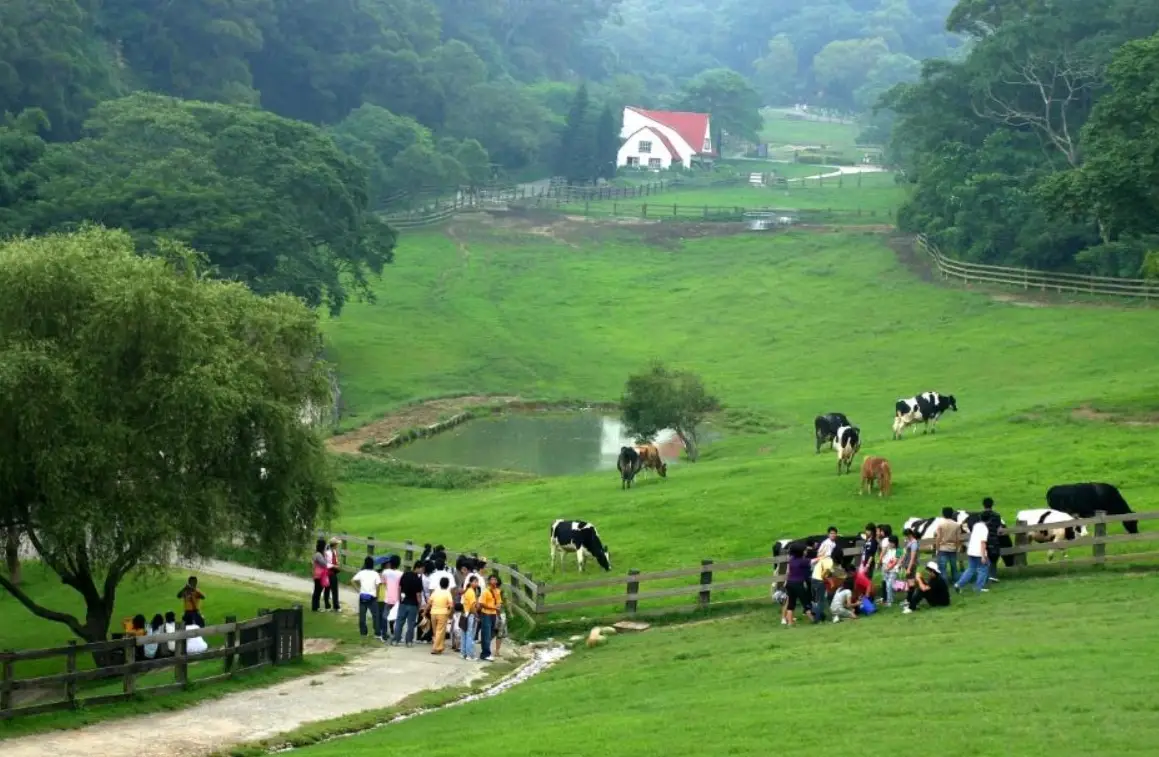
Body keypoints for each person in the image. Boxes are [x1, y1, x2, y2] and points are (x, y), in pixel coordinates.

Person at [956, 516, 991, 593]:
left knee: (970, 569)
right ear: (988, 521)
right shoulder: (984, 529)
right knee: (983, 569)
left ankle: (959, 584)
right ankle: (978, 588)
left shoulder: (976, 525)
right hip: (978, 552)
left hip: (971, 551)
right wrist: (983, 556)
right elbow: (983, 542)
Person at [351, 556, 382, 641]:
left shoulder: (361, 573)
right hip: (372, 597)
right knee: (375, 616)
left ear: (365, 564)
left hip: (363, 596)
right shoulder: (375, 573)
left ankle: (363, 632)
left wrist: (358, 590)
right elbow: (378, 585)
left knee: (362, 616)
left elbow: (352, 581)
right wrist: (377, 595)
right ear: (373, 565)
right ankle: (377, 633)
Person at [782, 545, 812, 626]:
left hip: (790, 583)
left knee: (791, 603)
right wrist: (823, 556)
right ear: (800, 552)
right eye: (805, 550)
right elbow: (814, 561)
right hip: (798, 584)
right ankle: (813, 620)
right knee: (805, 602)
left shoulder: (791, 560)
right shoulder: (802, 561)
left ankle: (790, 623)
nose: (806, 552)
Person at [393, 564, 423, 646]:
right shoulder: (418, 579)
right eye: (421, 569)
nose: (422, 571)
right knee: (411, 623)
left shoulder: (405, 575)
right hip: (413, 604)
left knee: (399, 622)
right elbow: (418, 594)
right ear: (417, 568)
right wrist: (419, 605)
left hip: (403, 602)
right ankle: (409, 641)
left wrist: (399, 599)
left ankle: (396, 640)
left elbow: (399, 588)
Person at [933, 507, 963, 585]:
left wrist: (937, 548)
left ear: (943, 514)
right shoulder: (956, 525)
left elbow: (938, 537)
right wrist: (956, 548)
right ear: (952, 514)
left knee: (943, 568)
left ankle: (944, 584)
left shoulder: (941, 525)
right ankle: (957, 582)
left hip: (943, 549)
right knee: (954, 568)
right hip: (953, 549)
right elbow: (958, 539)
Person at [478, 574, 503, 661]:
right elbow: (481, 603)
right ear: (489, 581)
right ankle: (485, 654)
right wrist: (493, 607)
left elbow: (499, 602)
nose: (493, 581)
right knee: (486, 633)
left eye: (495, 579)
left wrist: (498, 608)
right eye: (491, 579)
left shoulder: (497, 591)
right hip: (486, 614)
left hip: (494, 614)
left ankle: (485, 651)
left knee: (491, 633)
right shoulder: (485, 591)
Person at [429, 576, 454, 654]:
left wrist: (425, 611)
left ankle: (440, 647)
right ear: (448, 585)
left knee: (436, 631)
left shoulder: (435, 592)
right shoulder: (447, 592)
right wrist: (450, 612)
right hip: (442, 613)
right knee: (440, 631)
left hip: (433, 613)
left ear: (440, 584)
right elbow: (451, 604)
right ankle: (435, 648)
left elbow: (429, 602)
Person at [980, 497, 1003, 582]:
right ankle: (992, 575)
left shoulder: (980, 515)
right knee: (993, 559)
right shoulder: (997, 515)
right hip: (994, 540)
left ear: (983, 505)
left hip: (983, 540)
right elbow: (1000, 530)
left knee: (984, 558)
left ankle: (984, 577)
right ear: (992, 505)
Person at [381, 555, 403, 642]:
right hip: (397, 598)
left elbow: (383, 583)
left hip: (388, 597)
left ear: (390, 563)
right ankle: (396, 634)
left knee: (385, 616)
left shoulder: (385, 572)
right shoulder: (401, 574)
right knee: (397, 617)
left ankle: (384, 634)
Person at [810, 547, 834, 624]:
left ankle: (820, 616)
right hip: (819, 581)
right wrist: (831, 582)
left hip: (813, 580)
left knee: (816, 600)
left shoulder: (821, 559)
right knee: (820, 601)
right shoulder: (829, 561)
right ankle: (817, 619)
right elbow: (824, 575)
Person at [460, 575, 480, 659]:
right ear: (470, 582)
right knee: (470, 635)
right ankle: (470, 655)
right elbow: (472, 607)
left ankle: (463, 653)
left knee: (464, 634)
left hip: (464, 614)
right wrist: (476, 615)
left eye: (477, 582)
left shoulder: (467, 591)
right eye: (475, 582)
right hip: (470, 615)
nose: (476, 583)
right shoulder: (471, 592)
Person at [879, 533, 900, 607]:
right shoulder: (888, 549)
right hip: (886, 568)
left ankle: (889, 601)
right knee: (888, 585)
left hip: (893, 570)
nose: (890, 544)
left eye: (891, 542)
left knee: (889, 585)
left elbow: (896, 561)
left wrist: (889, 568)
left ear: (895, 543)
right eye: (889, 542)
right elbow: (883, 556)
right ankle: (890, 599)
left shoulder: (899, 550)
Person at [311, 539, 329, 612]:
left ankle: (316, 606)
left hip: (320, 575)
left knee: (318, 590)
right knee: (317, 591)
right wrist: (325, 555)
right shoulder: (318, 555)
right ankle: (315, 607)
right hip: (319, 575)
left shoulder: (319, 554)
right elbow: (324, 564)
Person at [326, 537, 342, 612]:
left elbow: (335, 560)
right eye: (337, 544)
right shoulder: (327, 553)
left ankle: (336, 605)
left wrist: (337, 564)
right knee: (328, 589)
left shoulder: (334, 552)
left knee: (335, 589)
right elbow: (326, 563)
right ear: (334, 545)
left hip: (334, 572)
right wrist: (333, 566)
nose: (337, 546)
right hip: (329, 572)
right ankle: (328, 605)